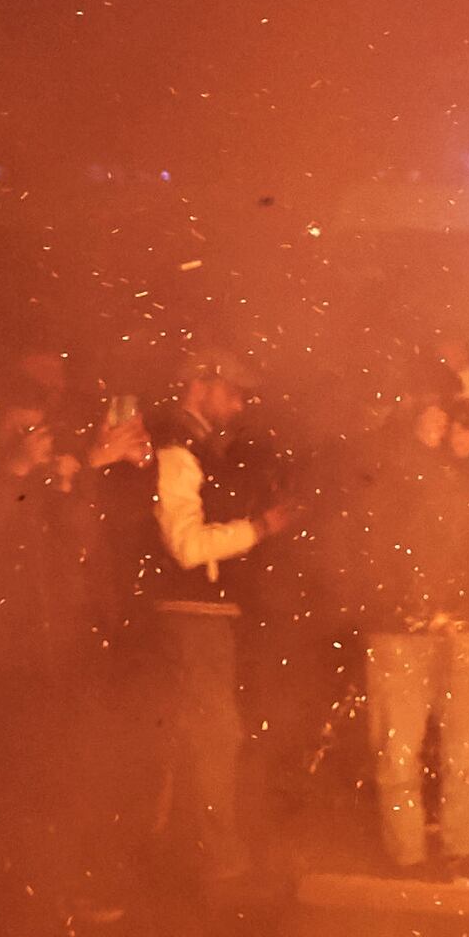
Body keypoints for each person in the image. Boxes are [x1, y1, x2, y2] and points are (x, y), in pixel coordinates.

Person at [142, 348, 298, 901]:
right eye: (229, 388)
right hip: (190, 617)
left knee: (200, 736)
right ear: (198, 385)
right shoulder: (177, 450)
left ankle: (176, 850)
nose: (238, 400)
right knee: (212, 736)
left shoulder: (204, 448)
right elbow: (185, 546)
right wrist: (258, 529)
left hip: (206, 616)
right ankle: (216, 857)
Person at [357, 359, 469, 872]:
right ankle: (406, 858)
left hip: (463, 625)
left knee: (466, 749)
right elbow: (380, 519)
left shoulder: (468, 467)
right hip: (400, 627)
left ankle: (461, 853)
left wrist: (466, 455)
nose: (446, 423)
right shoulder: (385, 456)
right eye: (438, 410)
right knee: (399, 750)